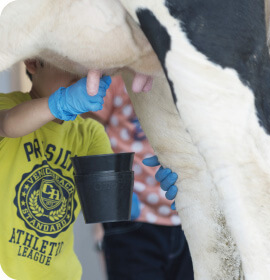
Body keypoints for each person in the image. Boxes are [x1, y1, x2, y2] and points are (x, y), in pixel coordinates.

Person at [0, 59, 114, 280]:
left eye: (88, 65)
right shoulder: (7, 105)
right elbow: (7, 124)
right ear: (33, 63)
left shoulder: (90, 133)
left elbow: (107, 197)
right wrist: (60, 103)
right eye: (69, 61)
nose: (83, 72)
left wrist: (157, 181)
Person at [83, 75, 194, 280]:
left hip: (191, 219)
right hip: (133, 220)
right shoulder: (120, 74)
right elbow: (89, 136)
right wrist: (102, 218)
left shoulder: (191, 74)